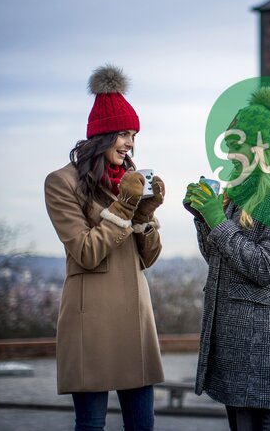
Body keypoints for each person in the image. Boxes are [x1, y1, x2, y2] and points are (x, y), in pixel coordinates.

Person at [44, 65, 165, 431]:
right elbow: (85, 251)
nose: (129, 143)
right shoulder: (61, 183)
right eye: (124, 134)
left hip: (135, 318)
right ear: (102, 136)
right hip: (90, 322)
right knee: (91, 425)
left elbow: (149, 257)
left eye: (133, 135)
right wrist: (125, 206)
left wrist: (144, 213)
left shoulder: (129, 182)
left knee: (142, 426)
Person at [184, 86, 270, 431]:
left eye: (237, 145)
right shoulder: (239, 194)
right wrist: (204, 219)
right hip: (235, 343)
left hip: (258, 344)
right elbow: (217, 260)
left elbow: (266, 268)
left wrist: (217, 221)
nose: (231, 154)